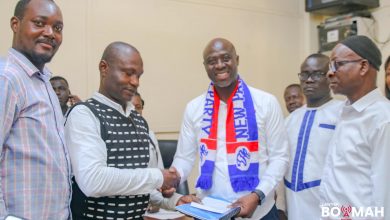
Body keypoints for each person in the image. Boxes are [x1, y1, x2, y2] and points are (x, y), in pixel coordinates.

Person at [171, 38, 289, 219]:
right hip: (210, 211)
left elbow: (280, 157)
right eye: (212, 61)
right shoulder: (194, 108)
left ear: (237, 60)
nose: (219, 65)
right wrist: (172, 178)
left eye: (225, 58)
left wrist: (257, 195)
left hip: (260, 211)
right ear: (205, 66)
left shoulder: (266, 102)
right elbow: (184, 158)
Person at [65, 41, 182, 219]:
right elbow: (93, 181)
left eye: (138, 75)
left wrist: (172, 197)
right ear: (104, 68)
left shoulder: (139, 121)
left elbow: (140, 184)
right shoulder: (84, 114)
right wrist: (158, 177)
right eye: (128, 73)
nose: (135, 82)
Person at [0, 0, 71, 219]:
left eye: (57, 28)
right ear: (15, 24)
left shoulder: (43, 82)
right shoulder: (7, 78)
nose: (50, 33)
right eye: (39, 23)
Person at [320, 35, 390, 219]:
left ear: (363, 67)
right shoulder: (345, 111)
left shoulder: (383, 119)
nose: (329, 73)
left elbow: (385, 198)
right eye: (329, 66)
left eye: (337, 64)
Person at [284, 53, 343, 220]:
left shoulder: (343, 114)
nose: (309, 80)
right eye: (304, 74)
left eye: (317, 74)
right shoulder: (289, 121)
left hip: (332, 206)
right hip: (295, 205)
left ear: (330, 77)